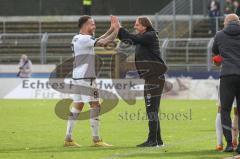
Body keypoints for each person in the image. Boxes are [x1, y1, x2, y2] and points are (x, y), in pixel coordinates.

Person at [64, 15, 118, 147]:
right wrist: (116, 30)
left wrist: (111, 29)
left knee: (78, 105)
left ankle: (68, 138)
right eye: (92, 24)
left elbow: (97, 39)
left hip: (77, 76)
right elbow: (104, 42)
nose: (94, 26)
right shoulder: (85, 39)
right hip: (86, 77)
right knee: (95, 106)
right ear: (84, 25)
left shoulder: (77, 37)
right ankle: (96, 139)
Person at [113, 16, 167, 147]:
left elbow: (132, 38)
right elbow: (129, 40)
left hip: (154, 78)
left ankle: (152, 140)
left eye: (137, 25)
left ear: (144, 26)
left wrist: (119, 28)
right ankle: (157, 140)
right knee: (152, 109)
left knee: (151, 109)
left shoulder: (149, 36)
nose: (135, 27)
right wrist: (119, 31)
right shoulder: (146, 37)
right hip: (151, 78)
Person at [212, 13, 240, 152]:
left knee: (225, 111)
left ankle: (229, 143)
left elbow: (216, 53)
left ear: (227, 22)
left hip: (227, 75)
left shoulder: (219, 35)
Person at [215, 86, 238, 151]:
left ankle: (221, 143)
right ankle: (232, 141)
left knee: (221, 109)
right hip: (234, 79)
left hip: (226, 80)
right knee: (235, 110)